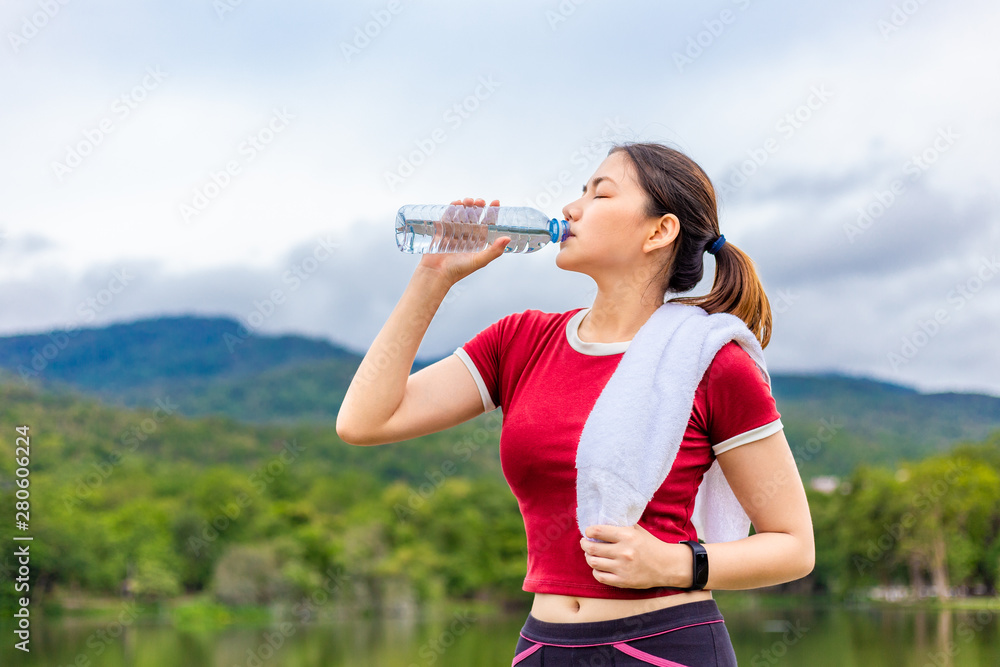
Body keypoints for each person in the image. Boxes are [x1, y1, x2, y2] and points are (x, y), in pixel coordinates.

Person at [336, 141, 815, 666]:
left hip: (665, 646)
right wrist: (433, 277)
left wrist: (678, 564)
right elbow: (365, 420)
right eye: (580, 191)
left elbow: (793, 545)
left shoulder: (711, 362)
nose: (571, 208)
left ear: (660, 231)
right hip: (542, 646)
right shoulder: (520, 341)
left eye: (599, 193)